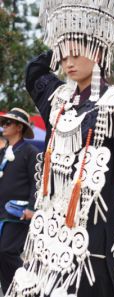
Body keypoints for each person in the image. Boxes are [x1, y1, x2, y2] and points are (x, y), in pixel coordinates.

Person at [6, 1, 114, 296]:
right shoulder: (57, 98)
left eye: (76, 53)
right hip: (50, 223)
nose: (68, 62)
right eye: (64, 56)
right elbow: (33, 71)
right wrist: (68, 33)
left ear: (98, 52)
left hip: (91, 226)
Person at [0, 109, 39, 294]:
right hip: (1, 212)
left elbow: (37, 182)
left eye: (8, 123)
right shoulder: (3, 152)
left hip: (18, 213)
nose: (3, 126)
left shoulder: (30, 152)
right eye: (3, 123)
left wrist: (32, 208)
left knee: (7, 251)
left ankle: (29, 286)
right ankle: (10, 292)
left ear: (19, 127)